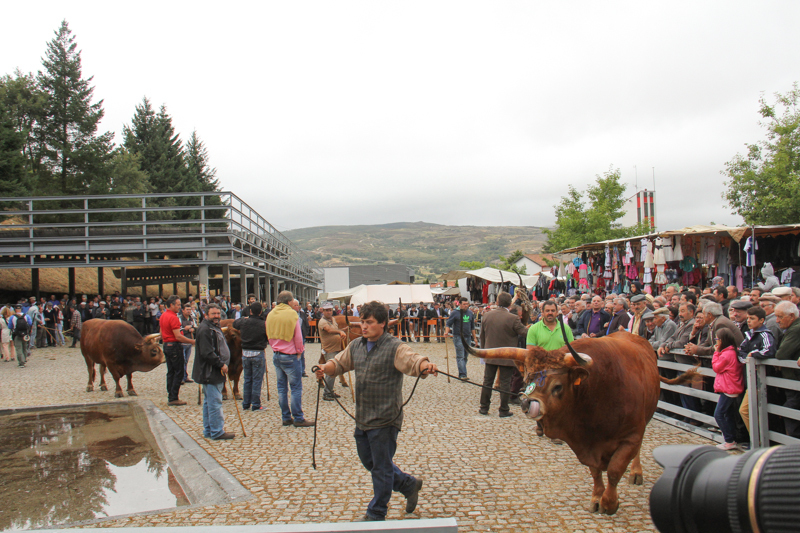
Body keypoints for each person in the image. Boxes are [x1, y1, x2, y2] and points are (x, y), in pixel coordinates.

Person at [314, 300, 438, 522]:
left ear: (383, 323)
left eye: (369, 322)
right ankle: (408, 484)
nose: (363, 326)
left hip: (386, 417)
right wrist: (325, 368)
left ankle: (376, 512)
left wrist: (424, 365)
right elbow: (339, 364)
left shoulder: (395, 347)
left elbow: (412, 359)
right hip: (363, 417)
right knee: (370, 462)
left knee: (380, 467)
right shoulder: (357, 346)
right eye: (362, 322)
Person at [526, 299, 573, 443]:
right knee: (539, 398)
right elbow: (530, 350)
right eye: (547, 311)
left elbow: (571, 348)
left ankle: (557, 431)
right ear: (543, 312)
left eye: (553, 310)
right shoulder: (534, 329)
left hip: (559, 371)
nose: (550, 313)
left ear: (557, 312)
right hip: (541, 371)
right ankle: (540, 424)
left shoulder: (565, 328)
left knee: (559, 400)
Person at [266, 291, 314, 427]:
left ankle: (286, 417)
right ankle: (298, 417)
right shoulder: (292, 314)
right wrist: (300, 352)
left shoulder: (271, 314)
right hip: (290, 355)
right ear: (288, 302)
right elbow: (298, 336)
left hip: (276, 353)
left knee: (281, 388)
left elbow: (268, 333)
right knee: (296, 388)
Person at [479, 292, 528, 418]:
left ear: (497, 302)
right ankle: (504, 409)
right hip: (507, 355)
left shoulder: (487, 315)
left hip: (490, 353)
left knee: (487, 382)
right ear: (510, 303)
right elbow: (524, 333)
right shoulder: (513, 318)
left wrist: (484, 351)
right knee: (505, 383)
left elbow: (482, 336)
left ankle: (484, 407)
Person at [192, 304, 234, 440]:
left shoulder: (213, 327)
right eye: (213, 314)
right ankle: (217, 431)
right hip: (210, 371)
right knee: (215, 401)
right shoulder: (205, 330)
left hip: (213, 370)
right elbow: (207, 353)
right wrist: (221, 364)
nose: (216, 316)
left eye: (218, 314)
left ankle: (209, 430)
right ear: (206, 315)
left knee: (209, 402)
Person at [737, 306, 776, 438]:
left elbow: (768, 350)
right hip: (751, 379)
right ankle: (757, 438)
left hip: (760, 380)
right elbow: (741, 351)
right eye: (748, 318)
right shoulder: (749, 335)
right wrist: (745, 358)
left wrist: (752, 355)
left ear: (761, 320)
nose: (749, 321)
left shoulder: (765, 334)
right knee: (749, 411)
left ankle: (758, 439)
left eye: (752, 318)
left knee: (746, 410)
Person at [712, 329, 745, 450]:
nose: (716, 342)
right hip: (731, 386)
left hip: (729, 388)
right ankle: (731, 438)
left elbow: (716, 367)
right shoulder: (732, 352)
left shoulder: (726, 354)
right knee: (728, 414)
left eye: (717, 339)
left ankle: (729, 440)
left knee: (719, 414)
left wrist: (716, 353)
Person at [160, 295, 196, 406]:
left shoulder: (163, 316)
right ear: (171, 305)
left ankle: (170, 394)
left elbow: (162, 333)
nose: (179, 307)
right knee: (179, 371)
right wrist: (192, 342)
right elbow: (178, 336)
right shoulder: (173, 317)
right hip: (175, 346)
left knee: (170, 371)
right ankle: (173, 396)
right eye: (178, 305)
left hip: (166, 345)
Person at [233, 301, 268, 411]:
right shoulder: (263, 324)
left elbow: (235, 324)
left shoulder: (244, 321)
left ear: (250, 311)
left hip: (245, 353)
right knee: (257, 379)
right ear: (261, 311)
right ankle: (256, 404)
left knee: (247, 379)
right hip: (258, 352)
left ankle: (246, 403)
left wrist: (246, 317)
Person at [774, 301, 800, 439]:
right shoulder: (792, 328)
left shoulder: (795, 329)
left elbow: (781, 354)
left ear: (791, 316)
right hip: (792, 380)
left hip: (795, 380)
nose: (777, 320)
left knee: (790, 410)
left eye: (780, 316)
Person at [317, 301, 347, 401]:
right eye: (326, 310)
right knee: (331, 371)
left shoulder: (333, 319)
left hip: (337, 348)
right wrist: (340, 331)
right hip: (329, 349)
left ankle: (330, 391)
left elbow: (336, 329)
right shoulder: (322, 322)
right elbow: (329, 330)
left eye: (330, 310)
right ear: (323, 311)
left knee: (334, 372)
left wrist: (345, 329)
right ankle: (327, 393)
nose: (329, 312)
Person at [445, 299, 477, 380]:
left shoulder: (470, 313)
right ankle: (463, 374)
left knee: (466, 356)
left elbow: (472, 326)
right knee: (460, 356)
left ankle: (462, 371)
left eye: (467, 304)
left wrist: (475, 338)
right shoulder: (455, 313)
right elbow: (448, 324)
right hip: (458, 336)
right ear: (460, 304)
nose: (466, 305)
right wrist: (446, 332)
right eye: (464, 304)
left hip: (468, 336)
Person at [180, 303, 197, 384]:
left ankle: (185, 376)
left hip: (189, 342)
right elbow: (178, 329)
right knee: (182, 360)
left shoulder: (192, 318)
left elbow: (195, 327)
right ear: (183, 310)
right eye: (187, 309)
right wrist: (185, 329)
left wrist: (193, 329)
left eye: (190, 310)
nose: (188, 311)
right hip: (182, 342)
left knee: (186, 360)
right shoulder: (179, 319)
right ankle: (181, 377)